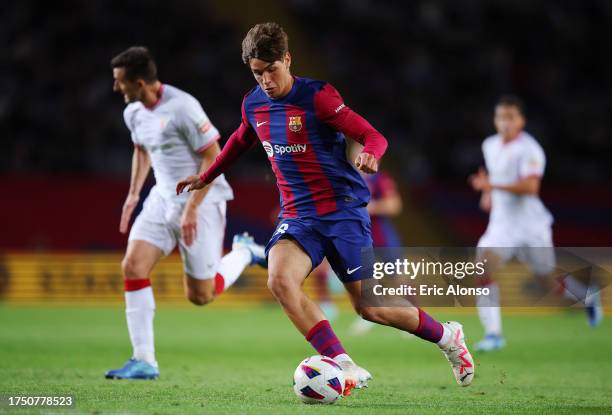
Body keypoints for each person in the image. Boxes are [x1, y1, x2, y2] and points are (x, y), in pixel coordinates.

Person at [177, 23, 474, 393]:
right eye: (258, 73)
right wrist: (206, 176)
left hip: (343, 212)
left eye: (272, 70)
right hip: (298, 217)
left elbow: (373, 136)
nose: (266, 80)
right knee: (280, 280)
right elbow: (240, 139)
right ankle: (343, 364)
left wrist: (371, 154)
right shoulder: (253, 103)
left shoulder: (318, 96)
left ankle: (447, 336)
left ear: (287, 59)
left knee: (370, 307)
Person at [106, 46, 265, 380]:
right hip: (161, 198)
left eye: (120, 81)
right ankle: (144, 360)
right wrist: (134, 194)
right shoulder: (133, 112)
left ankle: (243, 252)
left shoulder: (183, 107)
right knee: (132, 265)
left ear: (139, 82)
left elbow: (214, 157)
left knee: (200, 295)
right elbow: (141, 150)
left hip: (202, 201)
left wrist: (191, 209)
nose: (115, 88)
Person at [469, 95, 603, 352]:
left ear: (522, 121)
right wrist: (488, 194)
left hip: (532, 226)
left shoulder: (531, 149)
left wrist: (491, 186)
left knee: (547, 283)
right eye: (500, 117)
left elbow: (530, 187)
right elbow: (495, 176)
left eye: (511, 117)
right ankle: (494, 334)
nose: (505, 123)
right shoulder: (490, 145)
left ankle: (587, 296)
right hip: (502, 226)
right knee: (483, 267)